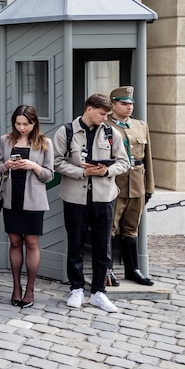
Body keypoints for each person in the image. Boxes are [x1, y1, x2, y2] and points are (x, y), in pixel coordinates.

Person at [53, 93, 130, 313]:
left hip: (104, 197)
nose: (105, 118)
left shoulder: (111, 132)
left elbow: (124, 162)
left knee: (102, 247)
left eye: (107, 115)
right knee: (75, 245)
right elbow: (57, 162)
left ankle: (98, 292)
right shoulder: (66, 132)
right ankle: (76, 287)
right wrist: (81, 172)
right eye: (102, 114)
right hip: (74, 197)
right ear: (89, 109)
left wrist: (106, 170)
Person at [0, 105, 54, 309]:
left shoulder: (45, 142)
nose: (21, 128)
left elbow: (50, 175)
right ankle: (16, 287)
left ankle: (30, 288)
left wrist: (33, 166)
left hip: (34, 199)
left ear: (34, 123)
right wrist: (6, 166)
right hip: (12, 198)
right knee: (15, 242)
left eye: (25, 124)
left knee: (32, 242)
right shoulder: (5, 140)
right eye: (18, 124)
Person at [107, 86, 155, 286]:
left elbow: (148, 158)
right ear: (113, 104)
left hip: (137, 183)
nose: (129, 107)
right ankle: (107, 269)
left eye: (130, 103)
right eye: (123, 103)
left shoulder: (140, 125)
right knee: (109, 228)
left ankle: (132, 269)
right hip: (115, 183)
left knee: (131, 229)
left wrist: (149, 186)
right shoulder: (106, 126)